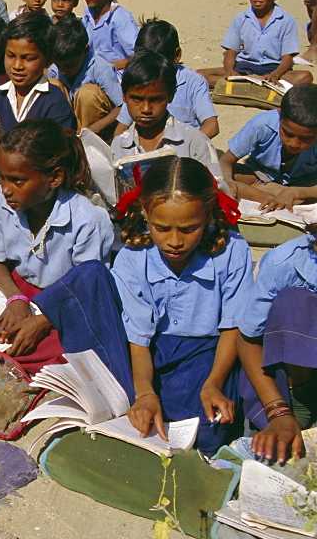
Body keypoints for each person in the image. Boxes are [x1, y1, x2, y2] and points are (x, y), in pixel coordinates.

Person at [107, 156, 250, 455]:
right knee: (141, 412)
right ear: (145, 213)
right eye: (161, 228)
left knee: (211, 426)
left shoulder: (233, 252)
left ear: (209, 214)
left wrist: (214, 383)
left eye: (188, 229)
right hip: (151, 351)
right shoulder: (133, 258)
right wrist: (145, 392)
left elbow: (232, 327)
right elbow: (138, 340)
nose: (174, 241)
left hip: (207, 350)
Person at [0, 118, 112, 367]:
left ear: (55, 177)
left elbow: (86, 289)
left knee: (54, 352)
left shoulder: (88, 220)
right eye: (1, 178)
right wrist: (15, 299)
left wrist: (41, 321)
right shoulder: (1, 200)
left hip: (64, 300)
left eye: (17, 180)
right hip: (17, 284)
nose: (6, 189)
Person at [237, 225, 317, 464]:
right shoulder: (285, 263)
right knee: (294, 301)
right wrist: (279, 412)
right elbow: (248, 340)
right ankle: (297, 404)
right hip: (291, 375)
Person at [111, 50, 225, 186]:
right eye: (137, 99)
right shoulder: (120, 146)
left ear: (170, 96)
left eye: (156, 100)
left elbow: (217, 192)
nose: (146, 109)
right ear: (124, 96)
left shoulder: (193, 142)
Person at [197, 0, 312, 88]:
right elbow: (230, 53)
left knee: (305, 77)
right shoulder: (240, 19)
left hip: (273, 69)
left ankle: (245, 86)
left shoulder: (287, 21)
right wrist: (230, 71)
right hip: (244, 68)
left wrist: (275, 75)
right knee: (200, 75)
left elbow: (287, 59)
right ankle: (257, 85)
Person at [0, 12, 75, 132]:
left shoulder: (55, 103)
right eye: (10, 56)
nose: (17, 66)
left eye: (28, 58)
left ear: (49, 59)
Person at [219, 83, 317, 209]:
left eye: (306, 138)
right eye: (288, 133)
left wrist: (296, 192)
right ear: (280, 116)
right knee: (220, 173)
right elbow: (226, 161)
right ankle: (278, 200)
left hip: (304, 183)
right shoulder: (261, 125)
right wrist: (229, 181)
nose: (294, 144)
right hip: (259, 175)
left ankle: (269, 196)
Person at [115, 19, 218, 139]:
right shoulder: (138, 82)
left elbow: (212, 126)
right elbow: (121, 128)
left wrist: (189, 147)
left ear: (177, 55)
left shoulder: (194, 83)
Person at [47, 15, 122, 136]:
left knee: (87, 93)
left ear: (86, 50)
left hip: (97, 131)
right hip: (70, 128)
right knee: (52, 85)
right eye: (60, 66)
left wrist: (95, 128)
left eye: (70, 66)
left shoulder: (101, 69)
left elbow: (122, 107)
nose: (64, 71)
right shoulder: (55, 67)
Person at [79, 0, 138, 75]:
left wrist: (106, 67)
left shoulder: (121, 19)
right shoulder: (87, 15)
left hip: (115, 79)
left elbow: (137, 57)